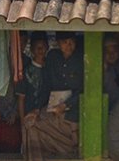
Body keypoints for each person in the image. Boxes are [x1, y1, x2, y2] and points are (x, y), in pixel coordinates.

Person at [24, 31, 82, 161]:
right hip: (53, 109)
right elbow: (46, 86)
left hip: (74, 113)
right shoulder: (52, 57)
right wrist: (37, 109)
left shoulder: (81, 59)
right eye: (65, 42)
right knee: (30, 123)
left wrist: (66, 105)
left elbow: (83, 90)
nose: (69, 45)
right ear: (57, 43)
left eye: (72, 42)